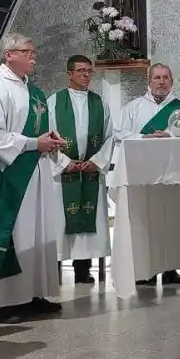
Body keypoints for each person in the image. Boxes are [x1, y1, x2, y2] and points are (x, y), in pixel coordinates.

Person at [0, 33, 69, 324]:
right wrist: (31, 144)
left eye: (33, 51)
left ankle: (34, 293)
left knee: (38, 231)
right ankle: (4, 302)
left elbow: (41, 130)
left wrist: (50, 139)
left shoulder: (34, 91)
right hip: (10, 172)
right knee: (14, 230)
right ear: (8, 55)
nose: (33, 56)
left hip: (37, 173)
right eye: (27, 51)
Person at [116, 63, 180, 285]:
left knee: (171, 221)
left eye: (166, 77)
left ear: (172, 81)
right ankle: (144, 270)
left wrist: (170, 137)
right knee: (144, 222)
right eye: (157, 77)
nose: (161, 82)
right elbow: (119, 134)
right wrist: (145, 138)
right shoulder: (133, 108)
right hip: (142, 176)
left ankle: (169, 269)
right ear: (149, 80)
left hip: (171, 176)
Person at [47, 56, 114, 285]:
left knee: (88, 224)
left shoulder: (99, 102)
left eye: (89, 71)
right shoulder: (54, 102)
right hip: (64, 173)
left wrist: (97, 161)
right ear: (69, 74)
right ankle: (54, 270)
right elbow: (48, 137)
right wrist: (65, 162)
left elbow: (109, 136)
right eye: (81, 71)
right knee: (59, 223)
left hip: (90, 170)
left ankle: (82, 269)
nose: (86, 75)